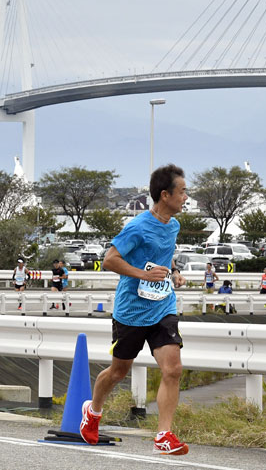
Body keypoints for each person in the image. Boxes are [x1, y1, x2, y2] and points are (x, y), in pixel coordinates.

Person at [80, 164, 189, 456]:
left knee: (173, 368)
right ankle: (92, 411)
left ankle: (163, 435)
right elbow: (110, 260)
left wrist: (174, 272)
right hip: (132, 310)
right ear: (165, 195)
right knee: (118, 371)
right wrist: (142, 274)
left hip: (163, 305)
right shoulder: (138, 227)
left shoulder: (173, 225)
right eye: (182, 192)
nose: (186, 197)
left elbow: (163, 256)